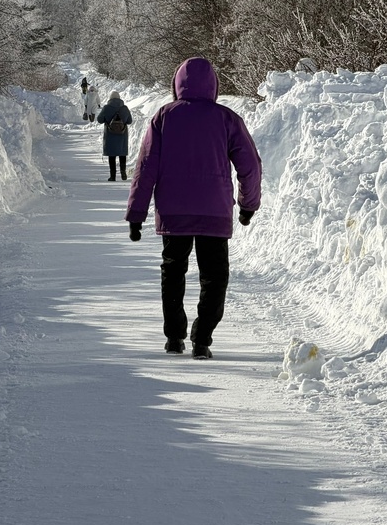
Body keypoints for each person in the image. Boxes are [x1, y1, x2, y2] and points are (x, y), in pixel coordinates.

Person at [124, 57, 262, 359]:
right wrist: (248, 204)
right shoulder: (227, 119)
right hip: (215, 211)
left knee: (173, 272)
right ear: (214, 85)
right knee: (214, 276)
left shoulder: (164, 116)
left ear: (177, 85)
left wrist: (137, 214)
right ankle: (202, 340)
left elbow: (146, 167)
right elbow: (250, 165)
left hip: (173, 212)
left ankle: (174, 338)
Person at [96, 90, 133, 181]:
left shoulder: (106, 108)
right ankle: (123, 173)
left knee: (111, 155)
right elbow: (129, 121)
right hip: (122, 135)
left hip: (110, 135)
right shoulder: (124, 108)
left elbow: (100, 120)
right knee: (122, 154)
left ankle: (113, 176)